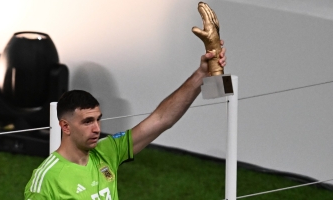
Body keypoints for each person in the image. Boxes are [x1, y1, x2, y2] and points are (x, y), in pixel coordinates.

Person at [24, 41, 226, 199]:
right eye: (87, 122)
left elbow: (161, 119)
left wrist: (201, 75)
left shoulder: (106, 151)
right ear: (65, 126)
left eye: (98, 120)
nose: (96, 129)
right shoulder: (46, 180)